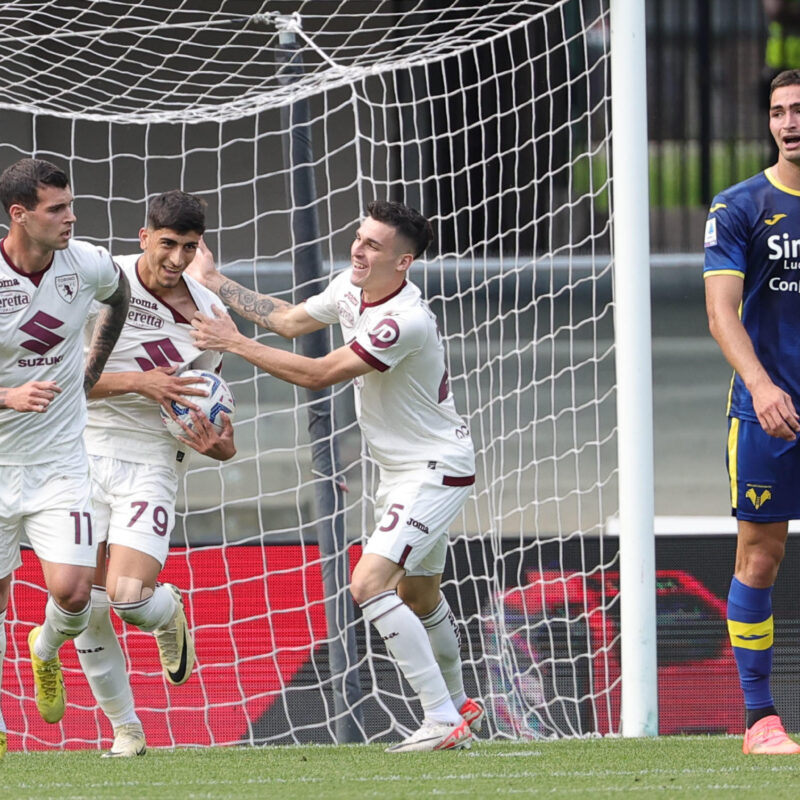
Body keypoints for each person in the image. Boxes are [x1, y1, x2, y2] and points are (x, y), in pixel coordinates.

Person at [188, 200, 483, 752]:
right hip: (398, 470)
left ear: (404, 262)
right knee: (419, 595)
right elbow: (289, 321)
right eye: (358, 237)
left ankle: (442, 717)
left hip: (435, 468)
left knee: (369, 584)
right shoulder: (351, 287)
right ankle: (461, 703)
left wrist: (230, 341)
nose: (358, 248)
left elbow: (319, 374)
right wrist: (214, 280)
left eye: (373, 244)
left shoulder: (404, 320)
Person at [73, 190, 236, 757]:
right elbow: (62, 383)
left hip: (150, 459)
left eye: (189, 248)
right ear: (144, 237)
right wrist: (142, 382)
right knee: (85, 605)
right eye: (167, 244)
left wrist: (218, 445)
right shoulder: (99, 279)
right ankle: (126, 729)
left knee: (129, 599)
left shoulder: (210, 317)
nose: (176, 258)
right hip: (78, 452)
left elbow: (219, 418)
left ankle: (168, 617)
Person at [0, 158, 130, 758]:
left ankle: (46, 647)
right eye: (56, 209)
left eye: (70, 205)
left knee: (75, 591)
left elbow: (120, 295)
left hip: (58, 465)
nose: (70, 217)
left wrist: (91, 368)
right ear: (19, 215)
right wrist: (8, 395)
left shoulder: (88, 263)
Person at [704, 68, 800, 755]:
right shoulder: (740, 205)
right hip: (768, 411)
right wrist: (762, 386)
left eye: (798, 109)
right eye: (778, 111)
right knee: (759, 556)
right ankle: (760, 720)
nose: (789, 121)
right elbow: (719, 311)